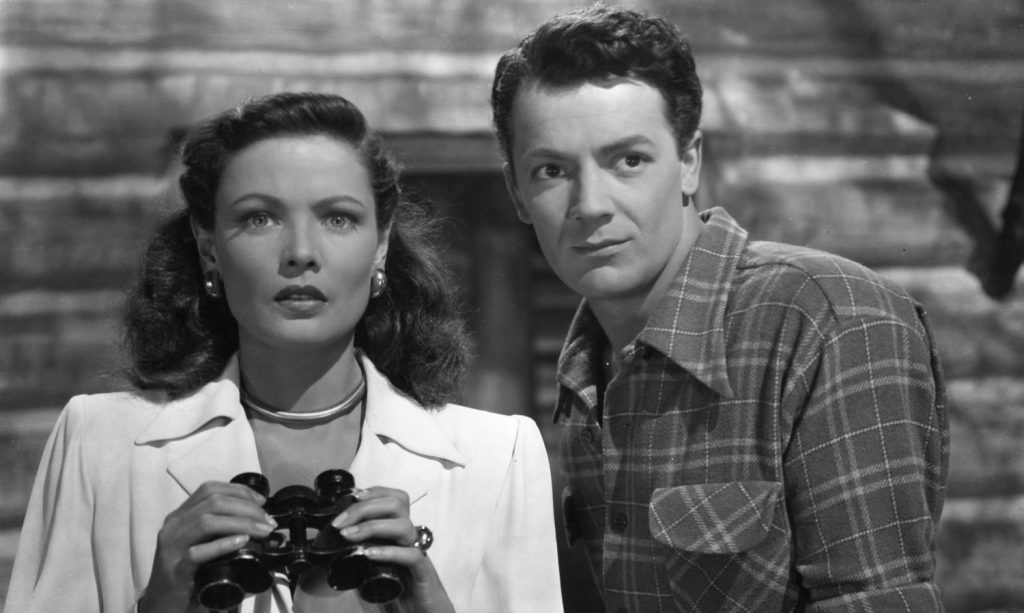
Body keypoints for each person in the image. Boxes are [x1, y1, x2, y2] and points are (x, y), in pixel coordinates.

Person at [5, 91, 563, 613]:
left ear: (381, 244)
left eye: (338, 218)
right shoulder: (99, 444)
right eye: (259, 218)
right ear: (208, 247)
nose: (300, 252)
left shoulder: (499, 458)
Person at [491, 5, 949, 612]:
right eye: (551, 171)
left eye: (628, 160)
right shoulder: (587, 369)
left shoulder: (828, 319)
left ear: (688, 163)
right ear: (518, 193)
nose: (591, 204)